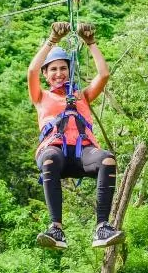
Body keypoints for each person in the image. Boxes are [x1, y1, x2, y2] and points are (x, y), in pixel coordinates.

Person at [27, 21, 125, 249]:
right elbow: (32, 70)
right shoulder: (40, 97)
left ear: (69, 71)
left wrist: (90, 43)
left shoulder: (83, 96)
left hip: (82, 154)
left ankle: (102, 226)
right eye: (53, 69)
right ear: (46, 74)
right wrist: (52, 40)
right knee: (51, 157)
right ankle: (56, 228)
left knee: (107, 159)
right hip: (55, 153)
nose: (59, 73)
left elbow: (104, 74)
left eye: (63, 68)